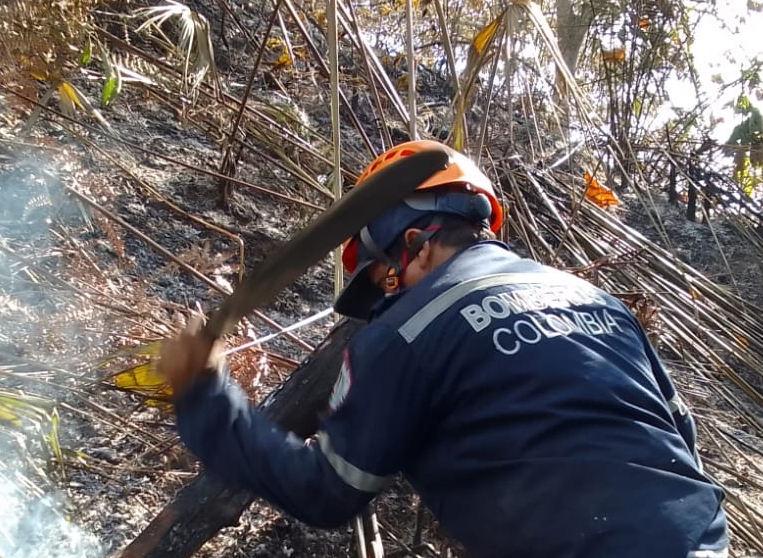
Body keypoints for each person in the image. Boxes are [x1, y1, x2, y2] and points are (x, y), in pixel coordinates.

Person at [159, 140, 729, 558]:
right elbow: (680, 435)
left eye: (385, 278)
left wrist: (206, 396)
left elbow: (326, 492)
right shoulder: (598, 302)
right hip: (702, 539)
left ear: (416, 244)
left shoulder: (405, 331)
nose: (389, 295)